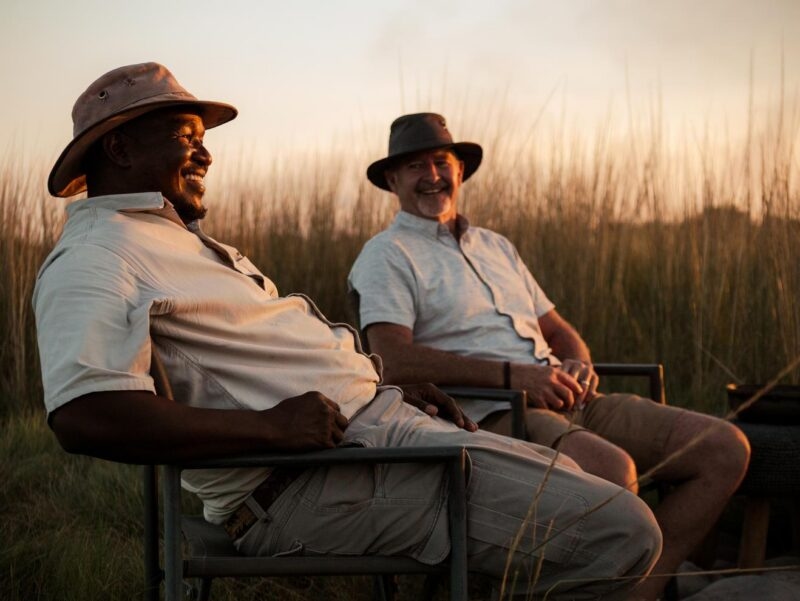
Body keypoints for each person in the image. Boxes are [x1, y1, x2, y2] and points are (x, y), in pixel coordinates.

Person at [34, 64, 662, 600]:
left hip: (374, 433)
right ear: (119, 149)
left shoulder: (176, 241)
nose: (206, 154)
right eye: (185, 137)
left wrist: (374, 387)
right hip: (310, 482)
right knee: (622, 531)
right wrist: (270, 428)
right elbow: (85, 415)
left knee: (590, 483)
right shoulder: (98, 256)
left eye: (203, 139)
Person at [348, 112, 751, 600]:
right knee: (612, 472)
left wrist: (578, 360)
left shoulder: (496, 246)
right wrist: (514, 377)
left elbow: (558, 331)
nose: (432, 175)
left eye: (441, 162)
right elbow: (392, 359)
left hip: (566, 395)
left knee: (723, 447)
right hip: (490, 414)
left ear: (460, 170)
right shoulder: (387, 254)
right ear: (393, 180)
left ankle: (638, 591)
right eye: (416, 166)